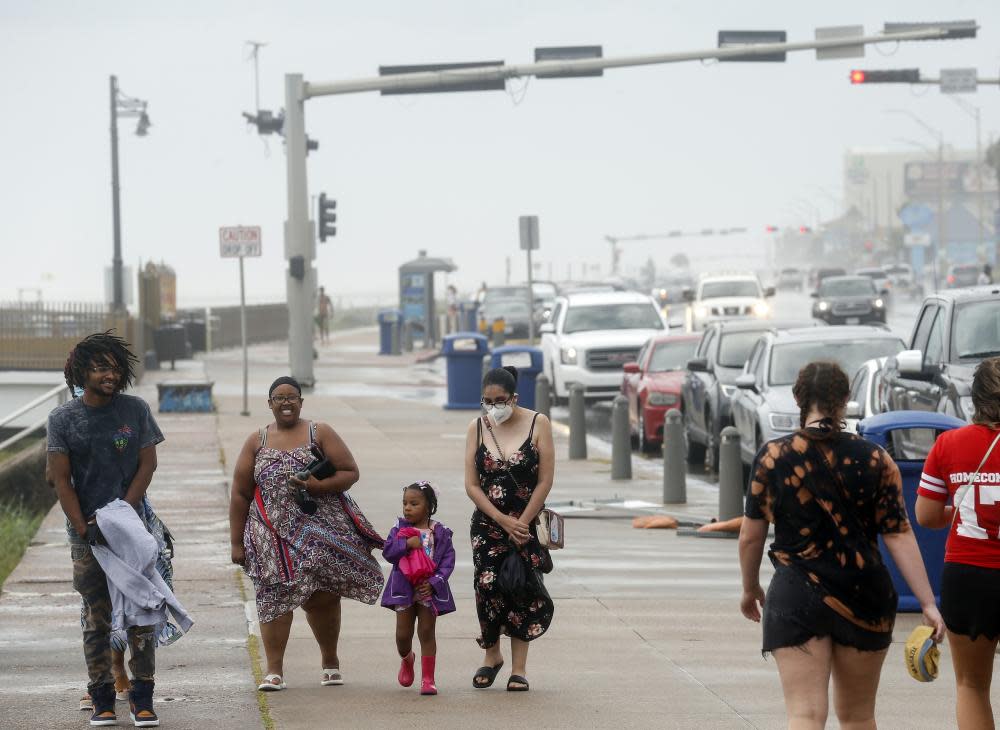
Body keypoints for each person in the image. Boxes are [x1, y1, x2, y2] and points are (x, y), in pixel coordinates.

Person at [739, 361, 944, 730]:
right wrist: (928, 602)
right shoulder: (877, 460)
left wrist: (750, 587)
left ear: (798, 398)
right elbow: (898, 534)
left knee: (804, 714)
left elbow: (751, 536)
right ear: (846, 400)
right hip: (865, 594)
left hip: (796, 594)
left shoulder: (773, 457)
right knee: (858, 716)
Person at [229, 376, 384, 691]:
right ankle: (274, 671)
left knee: (322, 598)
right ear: (269, 403)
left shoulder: (319, 432)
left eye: (292, 397)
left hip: (319, 530)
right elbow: (240, 493)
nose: (286, 402)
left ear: (301, 402)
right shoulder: (255, 440)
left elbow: (350, 471)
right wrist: (236, 542)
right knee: (274, 595)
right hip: (269, 532)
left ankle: (330, 660)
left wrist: (317, 486)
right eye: (279, 398)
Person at [46, 331, 167, 727]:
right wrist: (86, 527)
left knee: (142, 612)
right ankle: (101, 698)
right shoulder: (62, 419)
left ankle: (142, 697)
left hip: (131, 530)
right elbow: (61, 481)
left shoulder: (135, 410)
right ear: (82, 372)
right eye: (100, 368)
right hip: (87, 538)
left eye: (114, 367)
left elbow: (147, 465)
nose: (109, 374)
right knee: (96, 617)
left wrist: (119, 514)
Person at [915, 356, 1000, 729]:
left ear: (975, 401)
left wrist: (963, 513)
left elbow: (926, 516)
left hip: (968, 573)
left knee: (971, 685)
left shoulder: (948, 445)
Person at [464, 366, 555, 692]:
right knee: (487, 587)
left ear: (514, 398)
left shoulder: (538, 423)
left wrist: (523, 523)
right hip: (488, 524)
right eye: (486, 401)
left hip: (525, 525)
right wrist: (502, 521)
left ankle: (519, 669)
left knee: (522, 588)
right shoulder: (476, 427)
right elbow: (472, 485)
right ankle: (492, 656)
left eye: (499, 400)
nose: (493, 407)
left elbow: (545, 479)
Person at [380, 482, 456, 696]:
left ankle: (428, 679)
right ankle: (407, 658)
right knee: (403, 635)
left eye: (414, 503)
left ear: (429, 506)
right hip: (404, 590)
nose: (407, 508)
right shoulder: (399, 529)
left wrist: (434, 583)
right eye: (405, 503)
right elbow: (388, 552)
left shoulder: (439, 532)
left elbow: (448, 562)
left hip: (427, 591)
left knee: (426, 632)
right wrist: (406, 545)